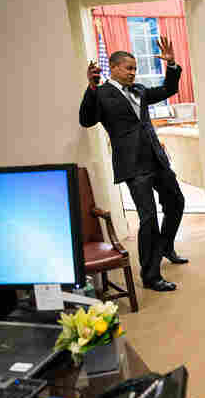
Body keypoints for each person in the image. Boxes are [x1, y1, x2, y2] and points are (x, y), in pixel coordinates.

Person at [80, 37, 188, 292]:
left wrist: (171, 65)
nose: (133, 72)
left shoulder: (139, 90)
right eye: (128, 68)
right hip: (133, 165)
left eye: (135, 68)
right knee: (148, 217)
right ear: (114, 68)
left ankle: (165, 246)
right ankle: (151, 276)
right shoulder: (102, 94)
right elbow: (87, 120)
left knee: (176, 201)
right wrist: (91, 88)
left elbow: (167, 90)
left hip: (156, 158)